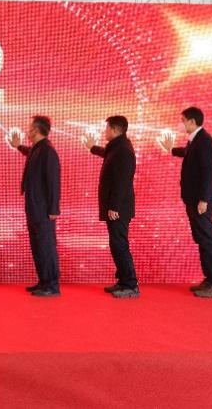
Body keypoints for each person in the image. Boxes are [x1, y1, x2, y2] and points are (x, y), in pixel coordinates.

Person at [158, 106, 212, 298]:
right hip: (194, 199)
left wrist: (204, 198)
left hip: (200, 200)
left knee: (207, 240)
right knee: (202, 239)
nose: (181, 124)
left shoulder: (204, 140)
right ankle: (209, 280)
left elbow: (208, 171)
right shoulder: (195, 139)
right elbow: (188, 153)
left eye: (183, 120)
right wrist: (171, 149)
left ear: (192, 121)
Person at [85, 116, 139, 298]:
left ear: (115, 129)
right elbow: (107, 153)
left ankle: (130, 285)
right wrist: (92, 147)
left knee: (120, 245)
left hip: (119, 209)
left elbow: (121, 182)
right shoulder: (117, 147)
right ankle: (123, 281)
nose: (105, 131)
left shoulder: (123, 150)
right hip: (116, 208)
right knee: (117, 244)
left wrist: (114, 206)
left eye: (107, 128)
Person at [9, 115, 61, 297]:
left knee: (46, 246)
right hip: (34, 207)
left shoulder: (48, 151)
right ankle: (43, 281)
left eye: (30, 128)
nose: (28, 131)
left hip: (44, 209)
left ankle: (52, 285)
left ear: (37, 130)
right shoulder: (37, 149)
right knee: (38, 245)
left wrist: (54, 209)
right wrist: (18, 146)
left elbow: (53, 182)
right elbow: (29, 152)